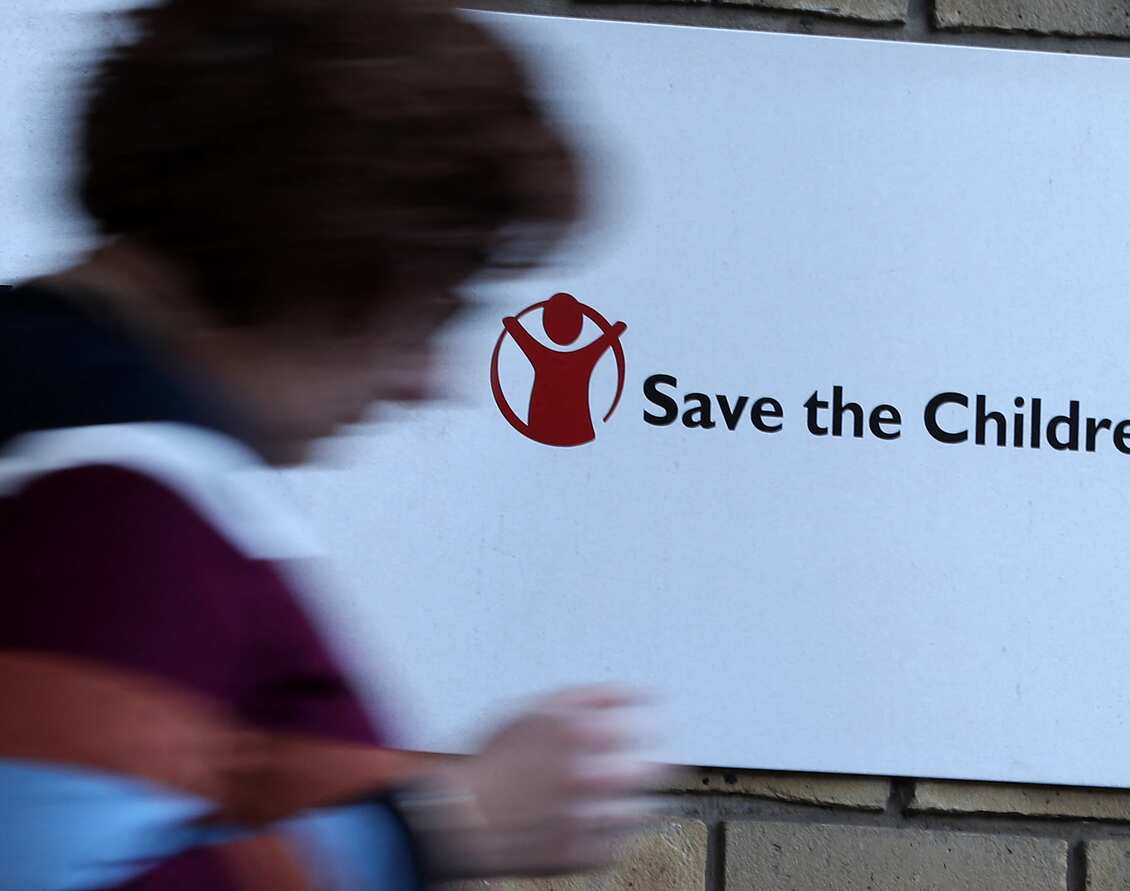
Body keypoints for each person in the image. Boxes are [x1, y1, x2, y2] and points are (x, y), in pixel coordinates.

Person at [0, 1, 663, 888]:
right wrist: (451, 824)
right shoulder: (119, 490)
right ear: (318, 252)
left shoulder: (72, 424)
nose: (428, 381)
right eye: (431, 309)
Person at [501, 293, 627, 447]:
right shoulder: (585, 357)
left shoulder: (541, 355)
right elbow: (613, 334)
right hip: (578, 431)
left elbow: (512, 325)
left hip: (541, 428)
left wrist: (537, 307)